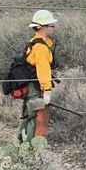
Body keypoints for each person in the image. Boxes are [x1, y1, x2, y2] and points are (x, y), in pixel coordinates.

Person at [19, 9, 58, 142]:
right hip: (37, 89)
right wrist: (47, 91)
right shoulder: (41, 47)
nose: (53, 28)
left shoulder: (33, 42)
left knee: (29, 116)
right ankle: (31, 149)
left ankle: (23, 143)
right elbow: (43, 70)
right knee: (37, 118)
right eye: (51, 25)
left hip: (31, 88)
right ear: (43, 28)